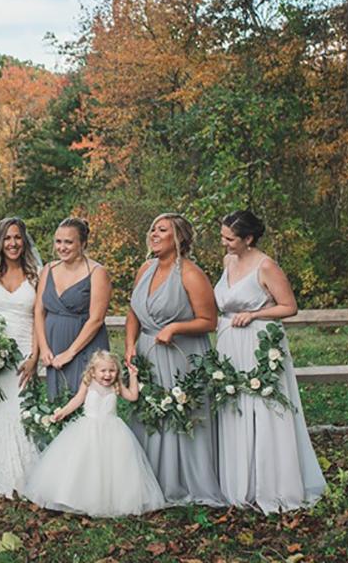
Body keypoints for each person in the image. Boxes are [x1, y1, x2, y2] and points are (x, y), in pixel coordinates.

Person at [213, 210, 326, 512]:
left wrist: (254, 314)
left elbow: (290, 307)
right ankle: (240, 484)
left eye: (230, 238)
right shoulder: (228, 262)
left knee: (264, 408)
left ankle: (273, 484)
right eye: (223, 236)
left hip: (258, 341)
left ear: (248, 239)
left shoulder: (266, 266)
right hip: (229, 343)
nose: (224, 243)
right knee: (235, 406)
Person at [124, 213, 224, 506]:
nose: (153, 234)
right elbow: (133, 313)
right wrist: (130, 344)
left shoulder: (191, 274)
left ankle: (184, 480)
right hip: (147, 353)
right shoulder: (144, 269)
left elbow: (210, 320)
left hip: (182, 355)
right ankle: (150, 478)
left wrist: (175, 327)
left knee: (181, 415)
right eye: (153, 229)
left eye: (162, 230)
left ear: (178, 238)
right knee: (149, 413)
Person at [22, 350, 166, 516]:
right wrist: (63, 412)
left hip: (113, 431)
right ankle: (77, 498)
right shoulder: (88, 383)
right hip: (88, 429)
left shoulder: (116, 386)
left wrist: (133, 376)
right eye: (103, 370)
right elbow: (77, 400)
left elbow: (133, 396)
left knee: (113, 467)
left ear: (117, 372)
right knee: (83, 464)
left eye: (112, 371)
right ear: (93, 371)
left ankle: (113, 501)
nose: (107, 374)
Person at [0, 217, 42, 498]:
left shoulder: (36, 275)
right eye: (7, 238)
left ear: (24, 241)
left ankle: (31, 479)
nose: (13, 243)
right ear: (0, 243)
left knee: (23, 415)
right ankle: (5, 481)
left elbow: (40, 318)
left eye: (17, 237)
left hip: (24, 357)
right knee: (0, 417)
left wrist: (34, 356)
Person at [34, 217, 112, 400]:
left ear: (83, 243)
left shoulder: (97, 272)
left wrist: (70, 353)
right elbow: (39, 310)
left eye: (68, 242)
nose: (62, 247)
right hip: (54, 347)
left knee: (86, 404)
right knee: (58, 403)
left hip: (84, 348)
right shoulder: (48, 269)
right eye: (58, 242)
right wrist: (44, 348)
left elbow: (96, 319)